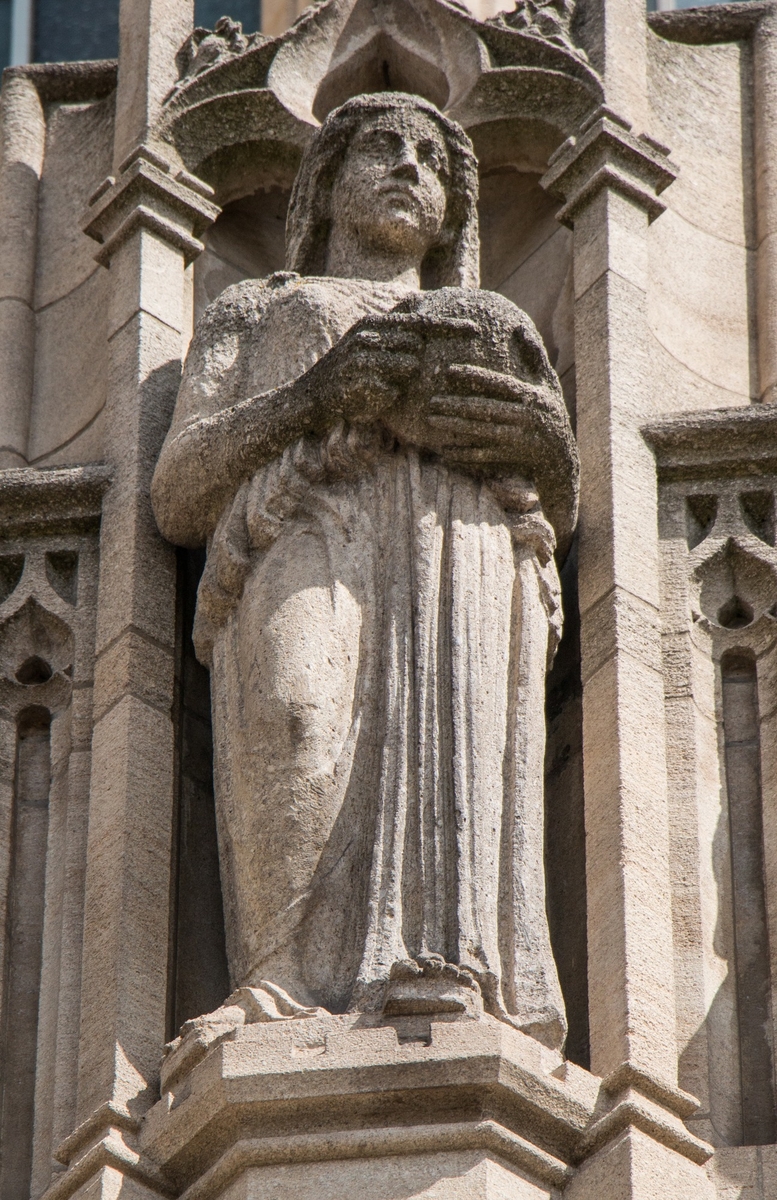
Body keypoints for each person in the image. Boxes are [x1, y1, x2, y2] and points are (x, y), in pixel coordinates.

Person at [152, 91, 577, 1050]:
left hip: (457, 547)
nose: (408, 167)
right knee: (298, 717)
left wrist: (544, 448)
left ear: (452, 210)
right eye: (380, 147)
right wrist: (314, 396)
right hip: (299, 524)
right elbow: (177, 491)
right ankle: (275, 986)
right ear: (327, 181)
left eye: (431, 160)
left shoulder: (490, 317)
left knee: (453, 737)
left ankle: (445, 971)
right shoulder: (256, 308)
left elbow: (562, 497)